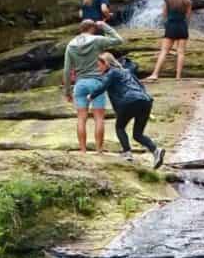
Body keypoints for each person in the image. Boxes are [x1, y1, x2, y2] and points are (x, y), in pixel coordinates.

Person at [89, 53, 165, 167]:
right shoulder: (128, 72)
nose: (98, 68)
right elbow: (141, 87)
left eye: (99, 65)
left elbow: (103, 86)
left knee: (120, 127)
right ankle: (156, 151)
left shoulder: (112, 72)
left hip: (129, 101)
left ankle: (127, 153)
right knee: (138, 134)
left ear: (106, 64)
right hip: (145, 101)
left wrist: (91, 96)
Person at [63, 20, 123, 153]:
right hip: (97, 83)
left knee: (81, 118)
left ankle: (83, 150)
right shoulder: (97, 40)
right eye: (95, 28)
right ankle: (98, 150)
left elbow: (67, 70)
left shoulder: (70, 45)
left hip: (80, 84)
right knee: (99, 118)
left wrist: (67, 91)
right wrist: (105, 26)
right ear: (92, 28)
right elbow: (118, 40)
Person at [145, 0, 191, 81]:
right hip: (182, 26)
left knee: (164, 51)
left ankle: (155, 74)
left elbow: (164, 14)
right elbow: (188, 16)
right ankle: (178, 76)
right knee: (181, 52)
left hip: (171, 26)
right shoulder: (187, 0)